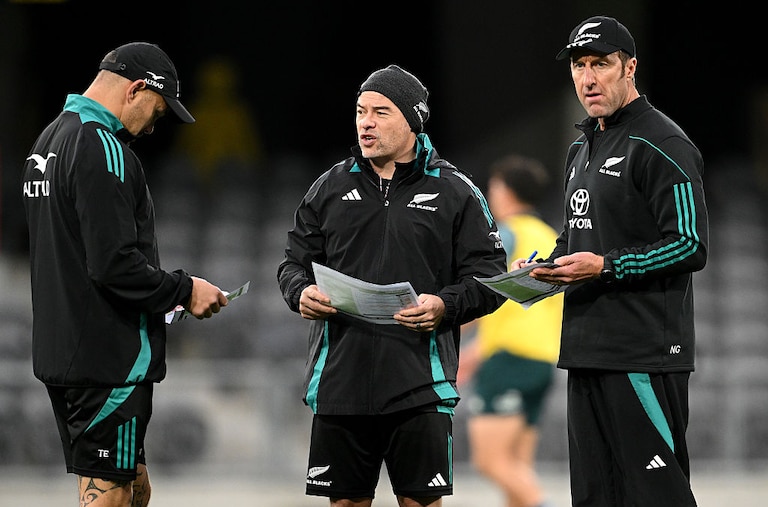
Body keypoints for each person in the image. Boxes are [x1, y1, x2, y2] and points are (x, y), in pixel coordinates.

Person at [277, 64, 507, 507]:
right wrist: (299, 292)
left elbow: (491, 277)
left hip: (420, 383)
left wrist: (444, 304)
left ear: (414, 119)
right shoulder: (329, 186)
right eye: (361, 111)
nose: (366, 122)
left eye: (381, 112)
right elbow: (293, 264)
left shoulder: (456, 191)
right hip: (340, 382)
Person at [22, 42, 229, 507]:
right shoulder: (102, 146)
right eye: (157, 111)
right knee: (111, 494)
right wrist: (185, 288)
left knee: (135, 488)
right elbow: (114, 265)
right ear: (136, 89)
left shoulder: (48, 141)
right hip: (107, 359)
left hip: (66, 352)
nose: (155, 128)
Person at [517, 16, 709, 507]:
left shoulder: (663, 143)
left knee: (656, 497)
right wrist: (545, 266)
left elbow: (689, 245)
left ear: (630, 68)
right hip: (585, 352)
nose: (588, 77)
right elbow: (579, 237)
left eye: (600, 63)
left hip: (642, 355)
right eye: (579, 66)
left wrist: (604, 266)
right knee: (596, 498)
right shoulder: (580, 148)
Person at [457, 154, 563, 507]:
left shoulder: (505, 235)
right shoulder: (549, 236)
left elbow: (483, 296)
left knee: (490, 461)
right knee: (516, 467)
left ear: (504, 190)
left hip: (509, 358)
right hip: (542, 360)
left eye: (493, 187)